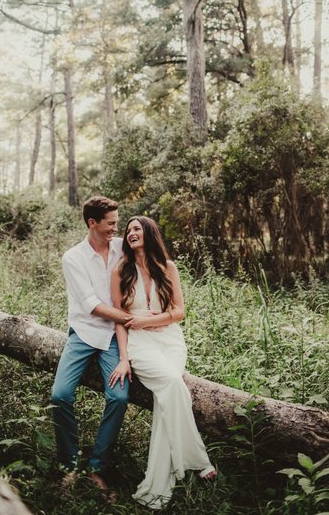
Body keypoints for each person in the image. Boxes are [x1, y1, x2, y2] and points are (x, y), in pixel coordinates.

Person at [110, 216, 217, 510]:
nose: (131, 233)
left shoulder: (168, 268)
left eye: (136, 228)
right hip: (139, 344)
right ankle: (198, 460)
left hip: (170, 340)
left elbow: (179, 311)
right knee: (172, 383)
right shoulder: (121, 270)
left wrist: (151, 320)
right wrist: (122, 358)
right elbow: (120, 319)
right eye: (128, 230)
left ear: (149, 233)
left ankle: (158, 484)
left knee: (166, 398)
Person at [51, 196, 133, 497]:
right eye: (110, 223)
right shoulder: (73, 257)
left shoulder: (122, 246)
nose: (116, 228)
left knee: (119, 397)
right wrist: (131, 317)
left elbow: (152, 259)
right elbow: (92, 306)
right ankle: (70, 466)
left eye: (116, 222)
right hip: (84, 333)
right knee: (59, 395)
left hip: (115, 336)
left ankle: (97, 468)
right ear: (92, 223)